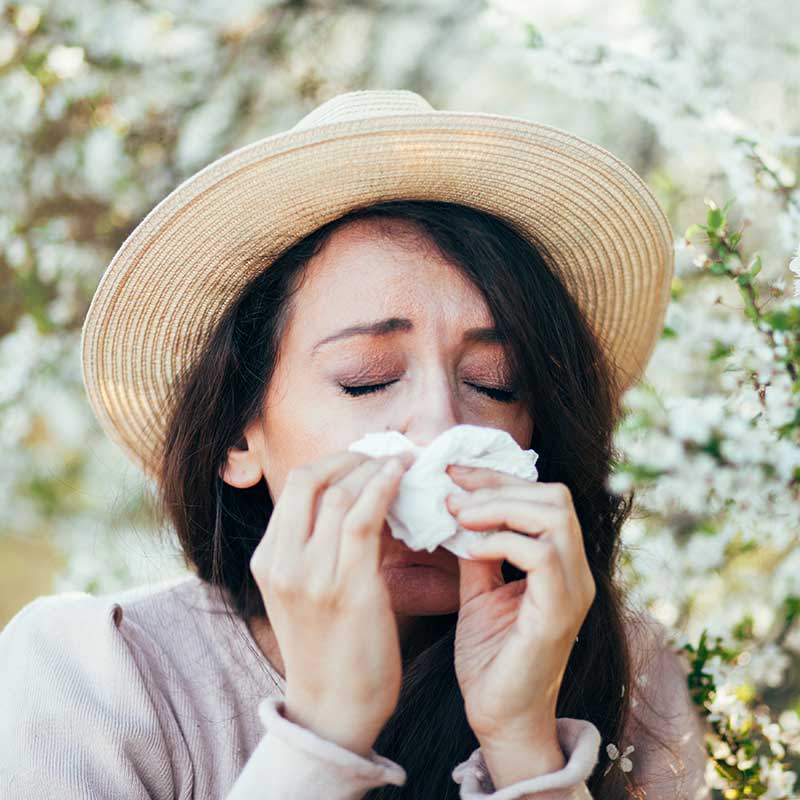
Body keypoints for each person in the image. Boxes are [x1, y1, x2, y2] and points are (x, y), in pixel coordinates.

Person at [0, 90, 709, 799]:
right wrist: (322, 734)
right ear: (237, 439)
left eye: (495, 384)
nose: (440, 426)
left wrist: (523, 743)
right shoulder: (91, 676)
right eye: (366, 380)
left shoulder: (636, 681)